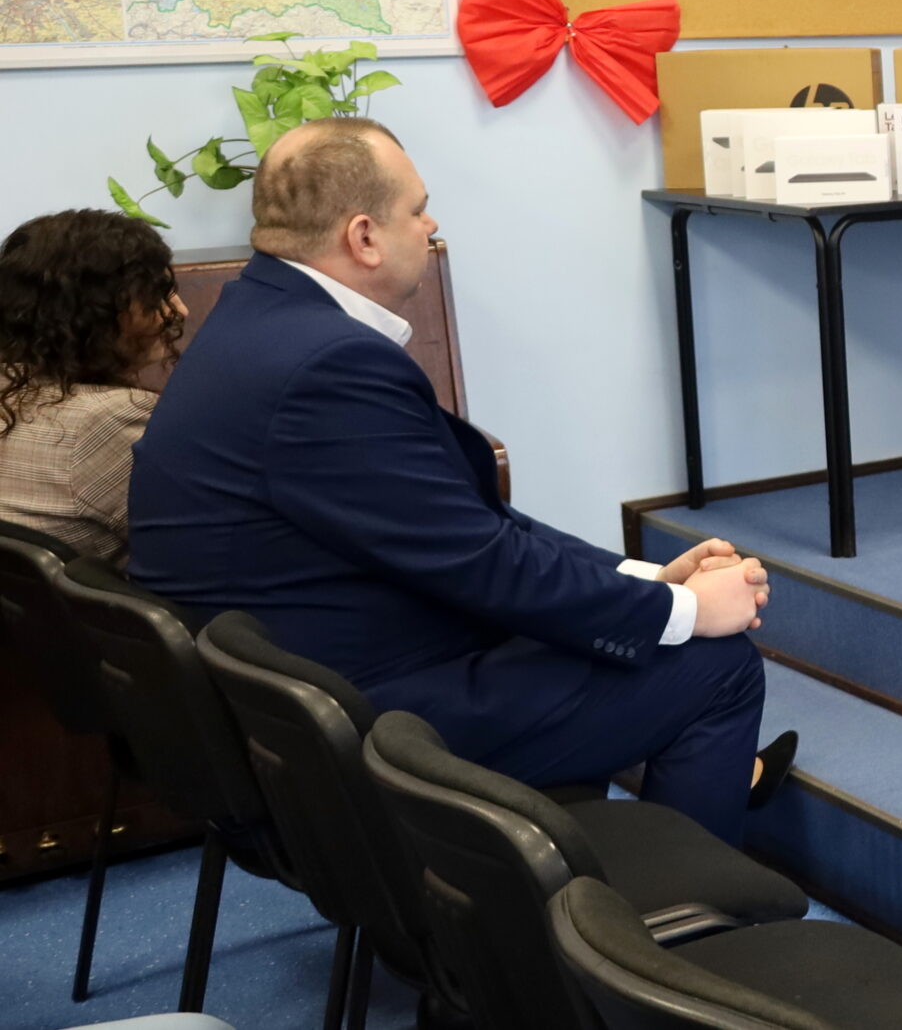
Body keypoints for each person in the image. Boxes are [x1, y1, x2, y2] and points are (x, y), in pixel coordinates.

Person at [127, 118, 790, 843]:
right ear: (364, 237)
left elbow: (466, 523)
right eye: (417, 209)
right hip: (349, 724)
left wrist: (647, 578)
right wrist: (683, 612)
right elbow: (482, 562)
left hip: (290, 699)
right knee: (716, 666)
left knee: (599, 638)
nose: (431, 224)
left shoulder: (258, 318)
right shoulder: (326, 364)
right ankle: (667, 907)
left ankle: (586, 874)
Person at [0, 209, 188, 567]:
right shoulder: (108, 419)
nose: (179, 310)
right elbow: (201, 541)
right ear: (94, 310)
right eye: (157, 295)